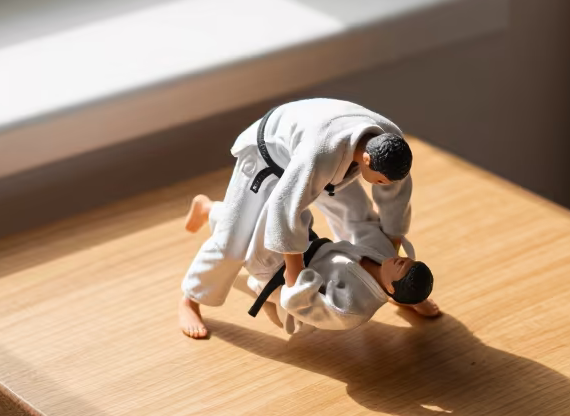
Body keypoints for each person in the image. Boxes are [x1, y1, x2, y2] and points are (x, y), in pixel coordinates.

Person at [178, 98, 415, 339]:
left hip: (327, 154)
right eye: (380, 180)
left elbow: (396, 192)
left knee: (359, 215)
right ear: (366, 159)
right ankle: (191, 299)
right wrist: (295, 276)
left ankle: (382, 283)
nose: (382, 185)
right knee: (233, 242)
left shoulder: (391, 140)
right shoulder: (319, 154)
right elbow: (286, 207)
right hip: (269, 156)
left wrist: (391, 264)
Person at [181, 192, 439, 338]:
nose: (401, 259)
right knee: (279, 213)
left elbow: (301, 301)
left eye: (402, 268)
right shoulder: (384, 256)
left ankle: (189, 299)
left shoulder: (351, 308)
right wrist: (413, 296)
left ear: (392, 287)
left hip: (284, 277)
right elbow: (367, 229)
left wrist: (291, 252)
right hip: (309, 249)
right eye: (408, 261)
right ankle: (209, 208)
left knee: (240, 237)